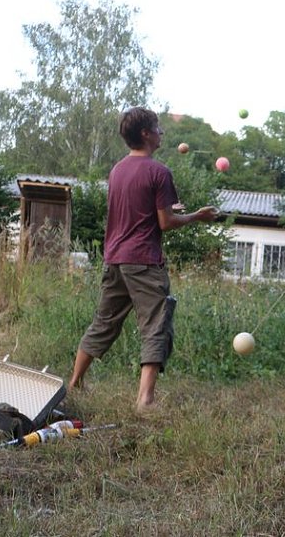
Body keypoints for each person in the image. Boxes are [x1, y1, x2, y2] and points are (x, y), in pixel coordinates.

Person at [68, 107, 219, 413]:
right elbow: (165, 223)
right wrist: (196, 217)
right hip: (144, 261)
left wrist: (167, 208)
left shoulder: (117, 170)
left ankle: (75, 382)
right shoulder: (158, 171)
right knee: (155, 325)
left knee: (104, 322)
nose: (163, 132)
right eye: (158, 128)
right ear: (146, 134)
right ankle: (145, 400)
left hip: (115, 258)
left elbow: (137, 210)